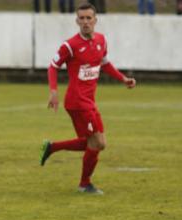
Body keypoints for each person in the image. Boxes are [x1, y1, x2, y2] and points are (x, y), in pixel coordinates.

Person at [40, 2, 136, 194]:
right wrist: (53, 91)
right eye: (81, 18)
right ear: (77, 21)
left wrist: (123, 78)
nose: (85, 22)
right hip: (77, 102)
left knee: (93, 142)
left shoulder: (101, 40)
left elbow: (104, 63)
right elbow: (53, 66)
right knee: (98, 143)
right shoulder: (70, 45)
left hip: (89, 101)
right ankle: (84, 184)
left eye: (88, 18)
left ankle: (52, 147)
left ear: (95, 20)